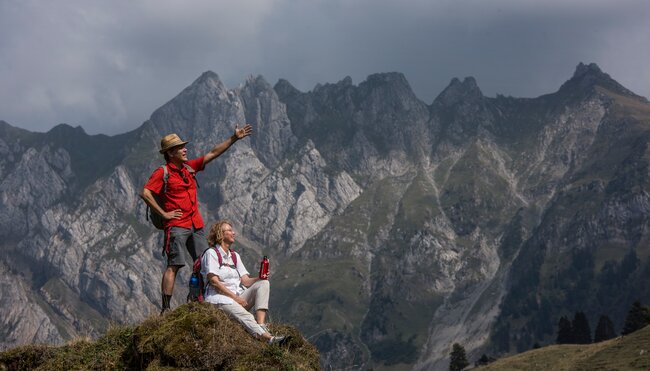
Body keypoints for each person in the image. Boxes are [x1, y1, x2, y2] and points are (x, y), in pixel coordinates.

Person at [140, 125, 252, 314]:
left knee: (204, 264)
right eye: (181, 148)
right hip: (176, 224)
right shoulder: (163, 172)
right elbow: (145, 193)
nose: (185, 150)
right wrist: (164, 214)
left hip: (196, 224)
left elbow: (213, 153)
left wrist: (234, 138)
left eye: (184, 147)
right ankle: (166, 308)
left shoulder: (189, 168)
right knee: (174, 264)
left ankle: (200, 300)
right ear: (170, 153)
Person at [202, 220, 289, 345]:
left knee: (264, 283)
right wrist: (236, 299)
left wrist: (260, 278)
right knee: (247, 316)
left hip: (237, 297)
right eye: (230, 231)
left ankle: (261, 324)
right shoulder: (211, 253)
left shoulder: (234, 255)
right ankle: (269, 339)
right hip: (219, 298)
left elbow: (246, 281)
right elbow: (214, 282)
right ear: (220, 234)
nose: (234, 233)